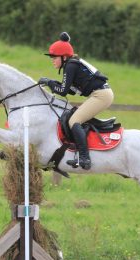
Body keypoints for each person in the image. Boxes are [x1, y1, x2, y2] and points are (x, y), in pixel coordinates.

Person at [38, 32, 114, 170]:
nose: (52, 60)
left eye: (55, 57)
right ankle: (81, 154)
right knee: (75, 119)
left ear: (64, 56)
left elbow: (62, 91)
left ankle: (84, 158)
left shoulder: (70, 66)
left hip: (101, 95)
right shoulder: (72, 64)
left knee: (74, 121)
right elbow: (71, 90)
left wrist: (49, 82)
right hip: (100, 94)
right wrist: (53, 83)